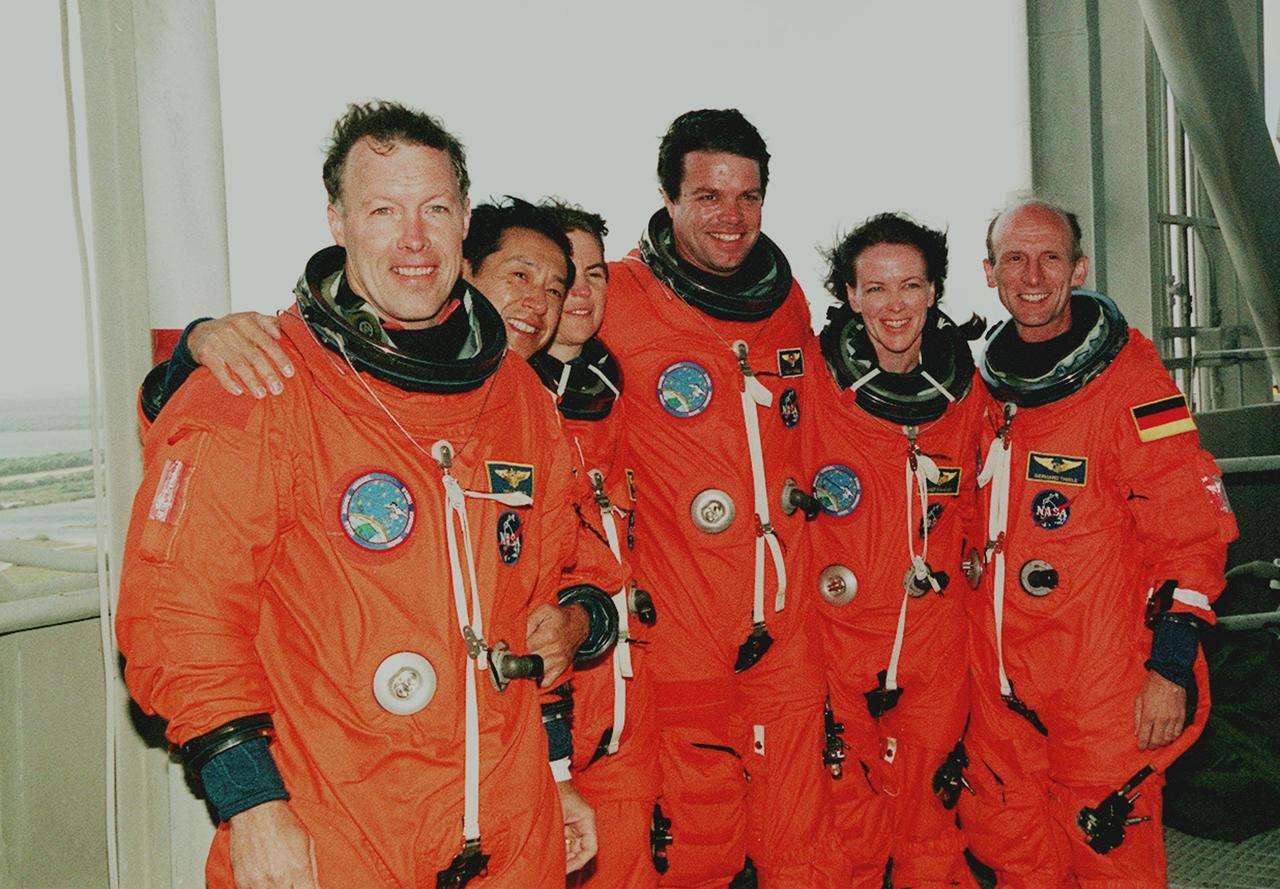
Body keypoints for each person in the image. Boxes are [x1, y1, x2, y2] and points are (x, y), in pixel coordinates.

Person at [116, 101, 618, 889]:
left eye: (435, 209)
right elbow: (181, 612)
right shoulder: (262, 381)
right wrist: (251, 806)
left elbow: (538, 601)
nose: (413, 238)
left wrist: (556, 774)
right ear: (338, 221)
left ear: (462, 222)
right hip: (336, 826)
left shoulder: (517, 397)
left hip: (510, 820)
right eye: (384, 210)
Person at [958, 200, 1238, 887]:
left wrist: (1170, 667)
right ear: (990, 272)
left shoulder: (1134, 388)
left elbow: (1192, 537)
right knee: (1016, 857)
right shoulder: (984, 391)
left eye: (1050, 256)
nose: (1032, 274)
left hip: (1100, 684)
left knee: (1113, 866)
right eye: (1014, 258)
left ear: (1078, 269)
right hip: (1001, 688)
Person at [600, 109, 840, 888]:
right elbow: (476, 330)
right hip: (682, 623)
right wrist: (205, 338)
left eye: (748, 196)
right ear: (668, 198)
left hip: (787, 625)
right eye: (708, 195)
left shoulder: (787, 303)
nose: (731, 218)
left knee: (800, 834)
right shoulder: (615, 296)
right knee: (696, 842)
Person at [804, 213, 984, 887]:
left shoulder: (969, 396)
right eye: (875, 289)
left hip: (935, 645)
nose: (894, 306)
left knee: (931, 828)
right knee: (848, 830)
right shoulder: (812, 389)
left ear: (935, 290)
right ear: (850, 295)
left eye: (910, 285)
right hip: (839, 640)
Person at [526, 200, 663, 888]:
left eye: (595, 274)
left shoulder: (621, 399)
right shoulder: (499, 407)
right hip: (543, 713)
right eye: (562, 276)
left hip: (623, 712)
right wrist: (200, 341)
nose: (579, 293)